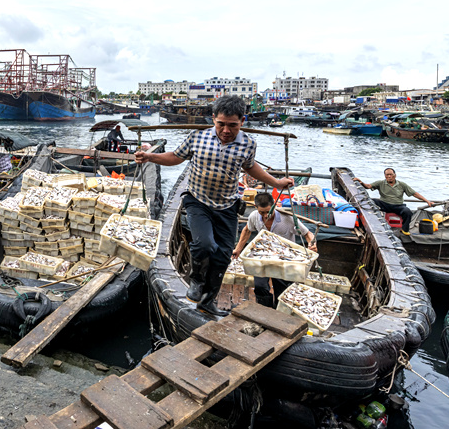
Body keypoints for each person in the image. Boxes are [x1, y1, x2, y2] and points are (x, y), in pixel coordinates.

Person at [136, 95, 294, 316]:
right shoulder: (197, 137)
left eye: (233, 125)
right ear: (213, 119)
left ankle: (207, 301)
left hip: (227, 206)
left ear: (242, 121)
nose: (226, 130)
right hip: (198, 201)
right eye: (221, 124)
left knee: (222, 257)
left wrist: (276, 183)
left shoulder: (248, 144)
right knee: (204, 245)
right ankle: (197, 280)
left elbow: (250, 167)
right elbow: (175, 157)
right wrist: (150, 157)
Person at [232, 192, 318, 308]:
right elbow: (247, 230)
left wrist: (312, 244)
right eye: (262, 212)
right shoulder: (254, 216)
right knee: (260, 286)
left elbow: (307, 233)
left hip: (284, 259)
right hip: (262, 256)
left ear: (274, 206)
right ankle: (265, 310)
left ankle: (279, 311)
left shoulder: (287, 218)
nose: (265, 216)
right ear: (256, 207)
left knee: (282, 289)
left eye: (268, 211)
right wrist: (238, 249)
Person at [353, 169, 432, 235]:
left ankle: (405, 230)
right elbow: (368, 186)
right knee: (370, 201)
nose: (389, 176)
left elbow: (414, 193)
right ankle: (366, 224)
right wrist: (361, 182)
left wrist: (427, 201)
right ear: (385, 176)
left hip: (398, 206)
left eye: (391, 174)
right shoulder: (380, 183)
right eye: (387, 175)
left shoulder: (402, 184)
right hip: (384, 204)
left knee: (407, 212)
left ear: (395, 175)